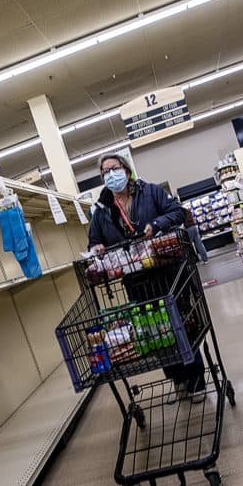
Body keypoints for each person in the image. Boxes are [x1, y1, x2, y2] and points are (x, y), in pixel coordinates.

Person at [87, 152, 207, 404]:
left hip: (168, 273)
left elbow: (177, 213)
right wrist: (97, 247)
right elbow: (94, 240)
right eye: (105, 172)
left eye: (114, 168)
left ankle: (196, 379)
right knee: (153, 332)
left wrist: (155, 224)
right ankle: (178, 380)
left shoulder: (151, 192)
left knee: (183, 324)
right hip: (135, 280)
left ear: (126, 170)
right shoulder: (101, 210)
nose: (110, 174)